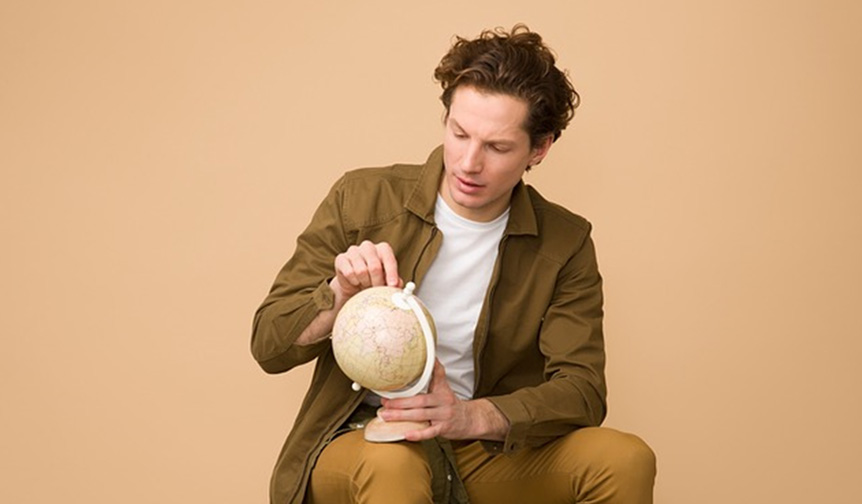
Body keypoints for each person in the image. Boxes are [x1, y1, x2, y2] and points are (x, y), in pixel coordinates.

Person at [252, 24, 656, 504]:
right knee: (394, 466)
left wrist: (470, 417)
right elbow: (269, 345)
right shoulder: (361, 198)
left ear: (540, 148)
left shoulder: (565, 242)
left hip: (479, 445)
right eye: (459, 133)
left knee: (625, 459)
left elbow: (583, 390)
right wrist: (338, 295)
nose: (467, 162)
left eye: (497, 147)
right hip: (362, 439)